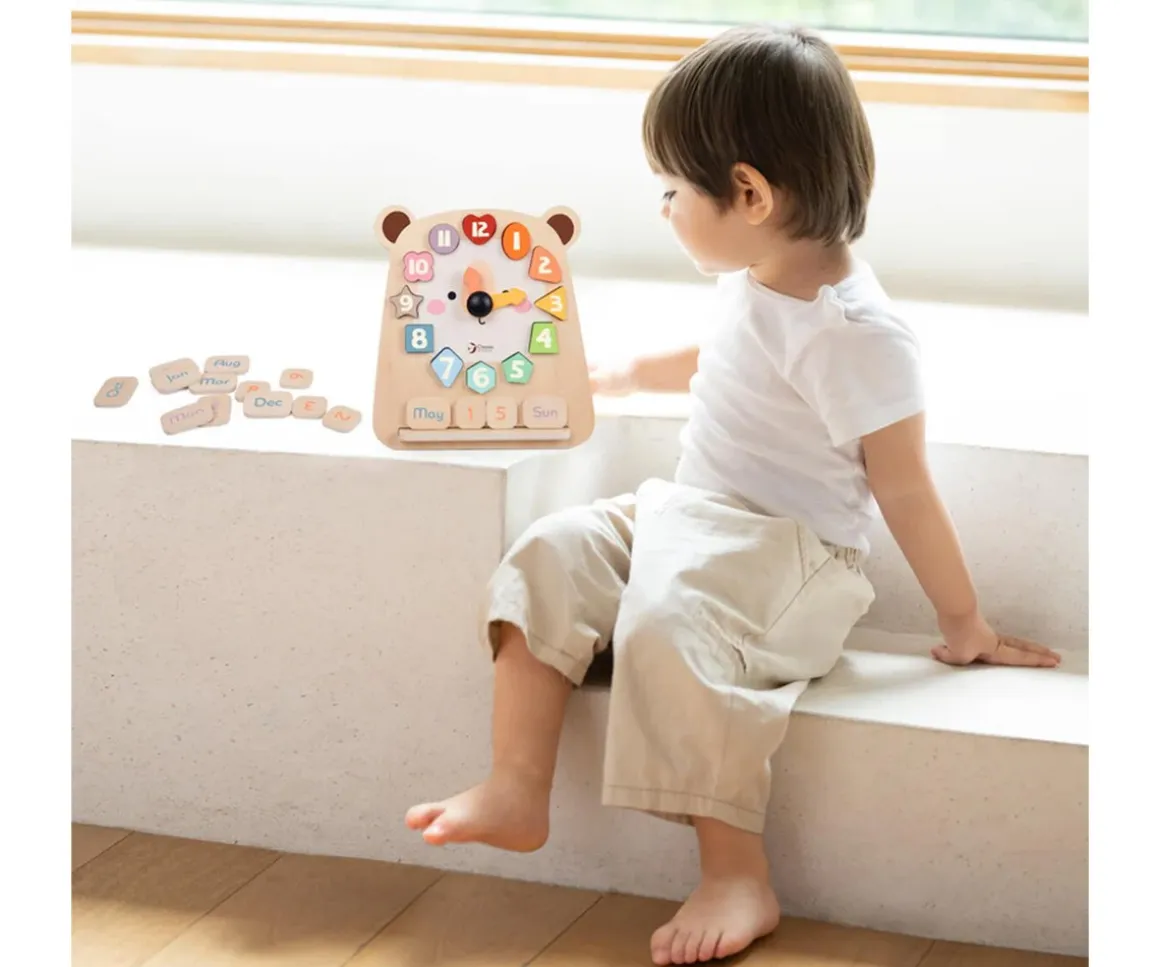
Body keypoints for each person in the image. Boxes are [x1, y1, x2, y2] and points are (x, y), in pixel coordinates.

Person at [406, 23, 1061, 966]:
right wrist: (625, 372)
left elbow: (906, 487)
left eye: (672, 191)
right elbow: (728, 355)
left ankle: (735, 869)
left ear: (749, 194)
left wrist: (966, 624)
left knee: (669, 621)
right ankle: (516, 785)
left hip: (792, 558)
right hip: (690, 515)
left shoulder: (859, 335)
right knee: (549, 552)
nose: (664, 208)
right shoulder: (763, 274)